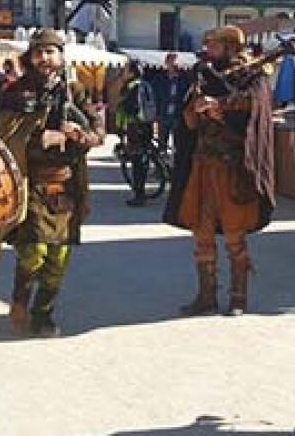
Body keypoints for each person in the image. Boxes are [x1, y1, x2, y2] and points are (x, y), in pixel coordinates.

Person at [0, 29, 104, 336]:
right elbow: (5, 136)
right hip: (30, 181)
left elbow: (99, 132)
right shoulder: (16, 92)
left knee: (58, 257)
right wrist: (37, 139)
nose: (45, 58)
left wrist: (79, 135)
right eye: (39, 52)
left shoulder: (76, 91)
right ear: (30, 57)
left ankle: (43, 313)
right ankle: (20, 300)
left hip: (67, 185)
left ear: (61, 56)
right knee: (33, 252)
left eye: (51, 52)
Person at [163, 25, 275, 316]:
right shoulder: (204, 76)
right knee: (201, 233)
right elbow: (187, 120)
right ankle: (206, 296)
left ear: (229, 47)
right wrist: (197, 108)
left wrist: (221, 106)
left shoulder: (253, 77)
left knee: (235, 236)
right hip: (202, 167)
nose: (208, 50)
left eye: (213, 45)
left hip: (232, 168)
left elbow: (256, 105)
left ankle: (238, 298)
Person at [117, 61, 155, 207]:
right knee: (143, 159)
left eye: (126, 70)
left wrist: (121, 128)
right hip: (147, 125)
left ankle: (139, 195)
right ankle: (142, 192)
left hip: (134, 127)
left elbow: (127, 109)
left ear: (132, 73)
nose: (124, 73)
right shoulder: (146, 85)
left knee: (137, 162)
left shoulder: (131, 87)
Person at [153, 52, 191, 151]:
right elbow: (155, 96)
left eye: (174, 61)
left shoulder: (183, 79)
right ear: (166, 63)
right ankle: (161, 163)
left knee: (178, 143)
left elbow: (187, 95)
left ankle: (175, 163)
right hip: (163, 113)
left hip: (177, 114)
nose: (173, 64)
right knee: (162, 143)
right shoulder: (160, 78)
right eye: (170, 61)